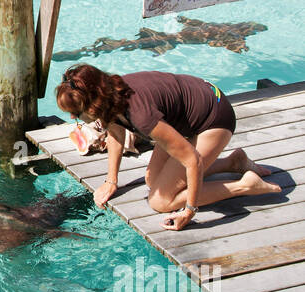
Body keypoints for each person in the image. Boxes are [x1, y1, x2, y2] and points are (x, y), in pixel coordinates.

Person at [56, 65, 280, 232]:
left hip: (214, 120)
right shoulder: (112, 93)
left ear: (94, 103)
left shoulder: (141, 116)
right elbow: (116, 132)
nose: (73, 117)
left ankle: (245, 185)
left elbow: (193, 160)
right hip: (188, 114)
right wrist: (111, 181)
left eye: (75, 111)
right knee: (153, 180)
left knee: (161, 201)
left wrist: (189, 212)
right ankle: (234, 162)